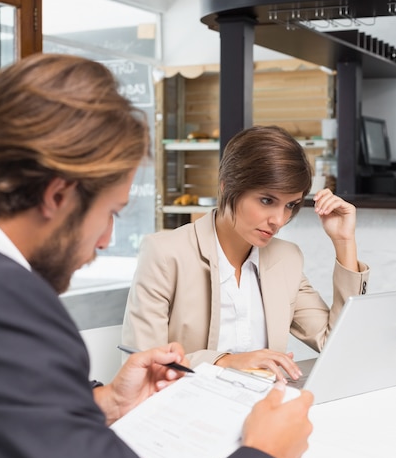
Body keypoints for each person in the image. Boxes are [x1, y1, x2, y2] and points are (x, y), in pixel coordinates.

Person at [0, 53, 313, 458]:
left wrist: (101, 402)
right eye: (111, 212)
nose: (108, 240)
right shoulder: (6, 306)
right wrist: (265, 457)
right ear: (57, 196)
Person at [122, 125, 370, 382]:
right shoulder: (165, 253)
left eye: (290, 205)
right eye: (266, 200)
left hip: (264, 409)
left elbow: (339, 343)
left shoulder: (286, 259)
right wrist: (226, 361)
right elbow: (142, 364)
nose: (278, 220)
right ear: (226, 186)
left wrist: (344, 242)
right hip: (187, 411)